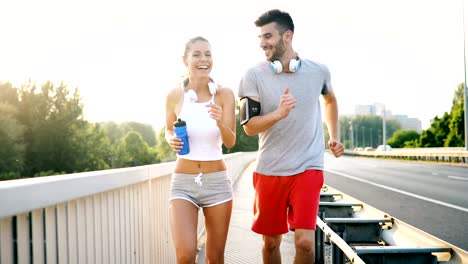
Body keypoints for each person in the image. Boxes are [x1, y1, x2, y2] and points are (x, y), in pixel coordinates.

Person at [238, 9, 345, 263]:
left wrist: (334, 135)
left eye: (268, 36)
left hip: (308, 166)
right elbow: (249, 127)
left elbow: (330, 100)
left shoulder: (319, 71)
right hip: (270, 169)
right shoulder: (252, 75)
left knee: (306, 243)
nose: (263, 43)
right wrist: (279, 113)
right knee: (271, 243)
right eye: (260, 38)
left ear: (287, 36)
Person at [165, 36, 236, 264]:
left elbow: (231, 141)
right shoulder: (175, 95)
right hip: (183, 182)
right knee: (185, 255)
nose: (203, 59)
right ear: (185, 60)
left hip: (216, 182)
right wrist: (170, 139)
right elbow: (168, 129)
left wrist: (220, 122)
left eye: (208, 54)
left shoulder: (224, 95)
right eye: (197, 54)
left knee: (215, 258)